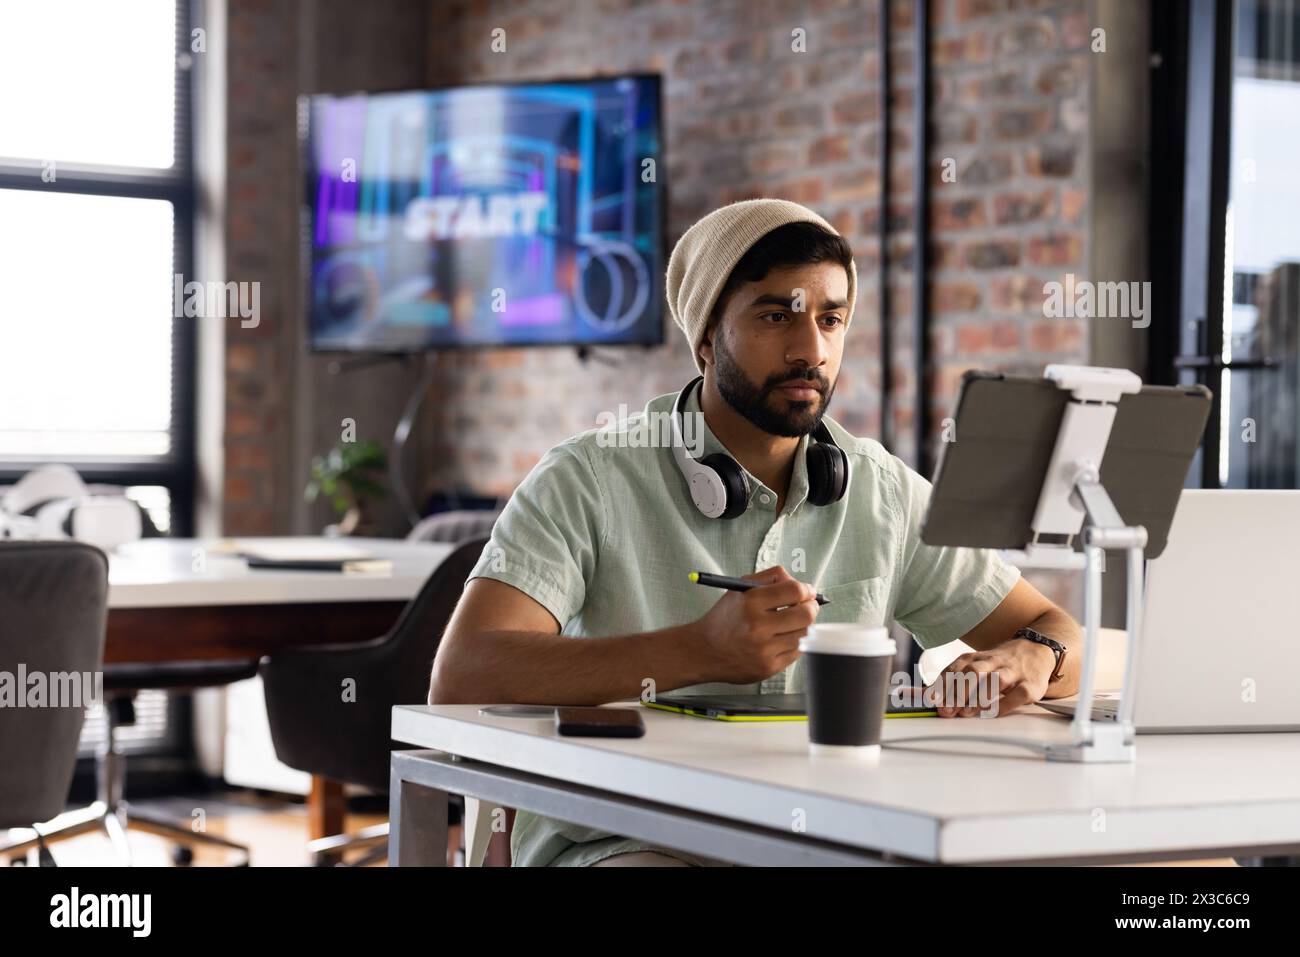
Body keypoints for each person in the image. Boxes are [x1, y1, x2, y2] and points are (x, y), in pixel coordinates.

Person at [430, 198, 1084, 867]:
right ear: (709, 337)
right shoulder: (588, 477)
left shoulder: (879, 488)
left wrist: (1034, 658)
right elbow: (462, 677)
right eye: (777, 316)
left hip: (826, 840)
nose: (812, 349)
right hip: (628, 841)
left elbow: (1057, 628)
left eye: (830, 319)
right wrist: (697, 650)